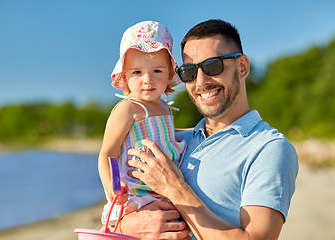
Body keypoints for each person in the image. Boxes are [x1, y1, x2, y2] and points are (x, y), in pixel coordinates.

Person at [117, 19, 299, 240]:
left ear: (242, 67)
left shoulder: (268, 148)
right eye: (189, 72)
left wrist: (175, 188)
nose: (201, 81)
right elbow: (118, 202)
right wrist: (126, 225)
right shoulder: (173, 140)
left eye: (213, 66)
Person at [98, 20, 186, 229]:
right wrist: (113, 184)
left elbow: (167, 136)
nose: (148, 80)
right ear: (125, 76)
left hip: (167, 188)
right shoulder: (128, 109)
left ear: (169, 73)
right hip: (138, 194)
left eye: (157, 71)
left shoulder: (165, 107)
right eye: (137, 72)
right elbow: (108, 152)